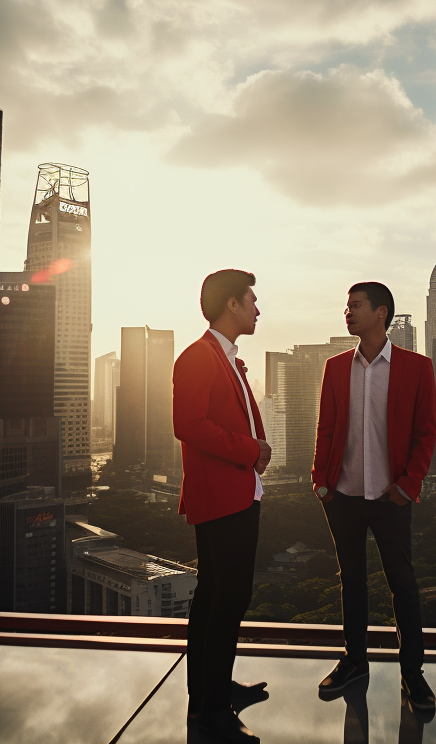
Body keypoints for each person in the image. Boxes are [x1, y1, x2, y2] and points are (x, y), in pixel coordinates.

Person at [310, 281, 436, 716]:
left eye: (356, 306)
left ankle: (413, 673)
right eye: (346, 306)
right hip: (342, 494)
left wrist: (407, 485)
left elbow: (426, 434)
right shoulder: (335, 367)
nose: (348, 312)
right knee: (352, 579)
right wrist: (320, 481)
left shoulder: (416, 367)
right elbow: (325, 428)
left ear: (381, 313)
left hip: (390, 496)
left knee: (402, 582)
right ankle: (354, 662)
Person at [174, 269, 271, 744]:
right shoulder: (199, 357)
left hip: (236, 492)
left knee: (215, 597)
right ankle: (212, 709)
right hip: (221, 497)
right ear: (231, 304)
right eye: (252, 299)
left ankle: (211, 691)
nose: (257, 308)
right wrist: (252, 451)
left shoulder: (227, 357)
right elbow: (189, 424)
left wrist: (256, 453)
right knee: (226, 599)